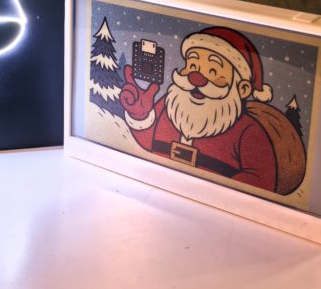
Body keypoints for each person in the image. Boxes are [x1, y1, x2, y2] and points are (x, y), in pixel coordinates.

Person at [121, 26, 282, 191]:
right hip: (157, 190)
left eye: (213, 71)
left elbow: (261, 180)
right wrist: (140, 116)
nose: (196, 78)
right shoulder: (170, 105)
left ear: (243, 89)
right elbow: (148, 143)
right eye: (193, 65)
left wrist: (213, 193)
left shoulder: (248, 131)